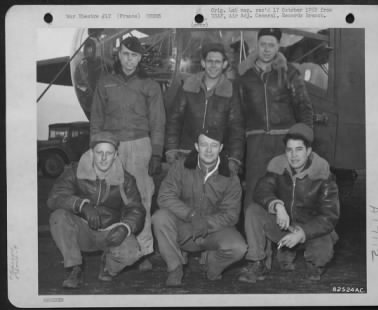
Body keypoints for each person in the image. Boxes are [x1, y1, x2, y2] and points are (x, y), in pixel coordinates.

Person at [90, 36, 166, 269]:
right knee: (109, 198)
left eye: (134, 55)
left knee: (142, 197)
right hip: (111, 148)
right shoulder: (105, 83)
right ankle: (112, 248)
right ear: (118, 54)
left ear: (140, 58)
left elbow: (158, 122)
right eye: (125, 54)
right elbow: (96, 119)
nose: (129, 59)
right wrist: (96, 150)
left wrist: (156, 153)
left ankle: (143, 251)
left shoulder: (150, 85)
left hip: (139, 147)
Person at [238, 123, 340, 283]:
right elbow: (261, 190)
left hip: (311, 231)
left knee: (322, 254)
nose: (294, 155)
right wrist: (277, 205)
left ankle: (312, 262)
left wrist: (302, 233)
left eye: (299, 149)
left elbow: (329, 216)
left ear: (308, 151)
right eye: (289, 150)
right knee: (253, 210)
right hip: (285, 227)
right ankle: (258, 262)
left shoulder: (323, 175)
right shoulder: (278, 167)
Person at [47, 132, 146, 288]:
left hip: (110, 233)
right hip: (82, 230)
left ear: (116, 155)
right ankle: (74, 268)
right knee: (58, 217)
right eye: (99, 152)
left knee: (132, 253)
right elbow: (55, 197)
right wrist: (81, 205)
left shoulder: (126, 179)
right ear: (92, 153)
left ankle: (108, 267)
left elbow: (136, 209)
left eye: (109, 153)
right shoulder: (74, 171)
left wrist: (125, 227)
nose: (104, 158)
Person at [153, 128, 247, 287]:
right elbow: (165, 196)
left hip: (212, 231)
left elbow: (231, 215)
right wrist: (191, 216)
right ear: (196, 146)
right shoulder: (180, 166)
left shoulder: (231, 176)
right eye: (204, 145)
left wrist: (205, 222)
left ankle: (212, 267)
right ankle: (175, 267)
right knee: (160, 218)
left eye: (214, 145)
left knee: (238, 247)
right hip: (183, 228)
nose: (209, 150)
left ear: (221, 148)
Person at [239, 28, 314, 209]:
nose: (266, 49)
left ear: (278, 46)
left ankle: (286, 234)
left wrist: (305, 142)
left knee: (285, 189)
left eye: (271, 45)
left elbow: (304, 109)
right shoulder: (244, 76)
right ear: (257, 45)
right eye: (263, 44)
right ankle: (254, 233)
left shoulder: (290, 74)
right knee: (254, 188)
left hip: (284, 141)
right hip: (255, 141)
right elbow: (239, 115)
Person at [165, 42, 244, 177]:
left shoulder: (230, 92)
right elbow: (174, 120)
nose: (213, 65)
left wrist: (235, 159)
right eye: (210, 61)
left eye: (218, 62)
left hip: (217, 157)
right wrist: (171, 149)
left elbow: (236, 128)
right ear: (203, 63)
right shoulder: (188, 87)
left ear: (224, 64)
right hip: (186, 154)